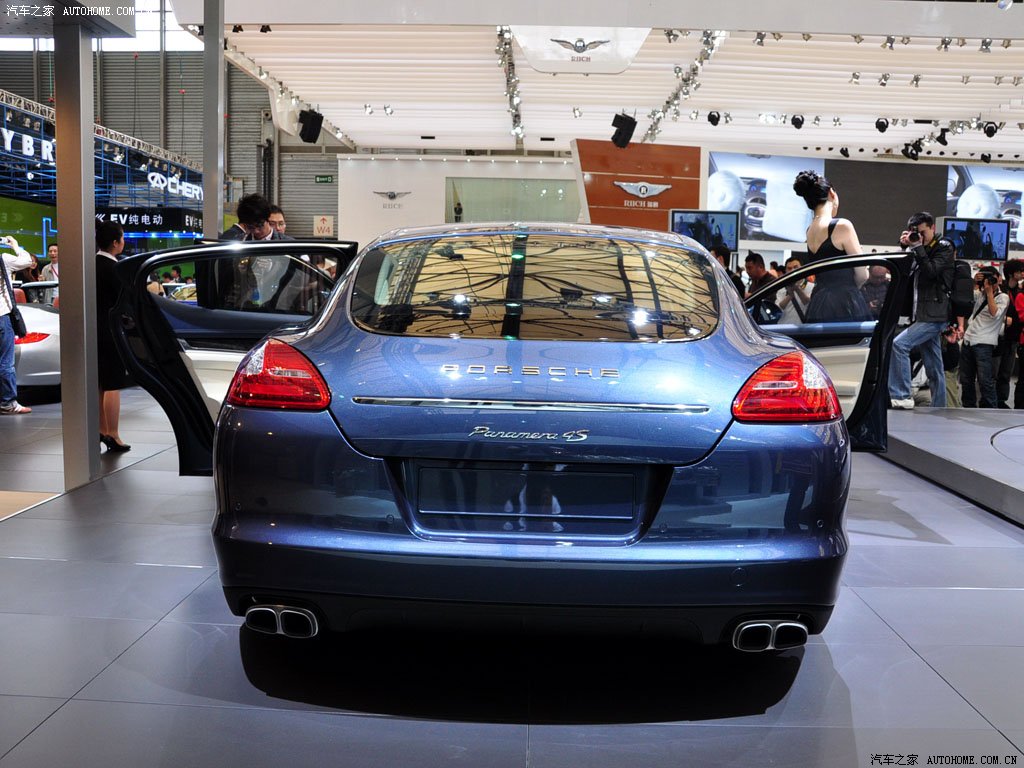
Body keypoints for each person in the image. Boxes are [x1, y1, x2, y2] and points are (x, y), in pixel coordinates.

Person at [888, 212, 956, 410]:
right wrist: (905, 248)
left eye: (922, 232)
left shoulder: (944, 247)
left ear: (932, 228)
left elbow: (931, 271)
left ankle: (901, 395)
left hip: (935, 314)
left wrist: (917, 247)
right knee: (934, 365)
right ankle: (939, 406)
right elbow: (902, 273)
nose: (919, 237)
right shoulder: (919, 250)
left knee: (898, 345)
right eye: (915, 233)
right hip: (923, 313)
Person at [793, 169, 871, 323]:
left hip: (818, 302)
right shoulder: (842, 226)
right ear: (831, 193)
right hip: (844, 303)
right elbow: (863, 275)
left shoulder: (810, 230)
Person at [96, 221, 132, 451]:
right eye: (122, 238)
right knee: (112, 384)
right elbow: (126, 303)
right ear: (116, 242)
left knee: (98, 384)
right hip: (110, 332)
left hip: (92, 331)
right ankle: (113, 433)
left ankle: (100, 430)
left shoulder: (90, 265)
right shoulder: (115, 269)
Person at [960, 266, 1009, 409]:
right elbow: (964, 298)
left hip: (984, 343)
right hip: (968, 340)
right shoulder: (980, 294)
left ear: (998, 279)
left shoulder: (1003, 297)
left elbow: (995, 313)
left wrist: (989, 292)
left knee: (985, 381)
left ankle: (991, 410)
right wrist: (974, 282)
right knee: (966, 380)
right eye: (987, 278)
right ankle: (968, 408)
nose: (990, 281)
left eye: (993, 278)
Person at [1, 235, 36, 415]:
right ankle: (8, 402)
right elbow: (28, 261)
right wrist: (14, 244)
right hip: (1, 316)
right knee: (6, 362)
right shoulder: (4, 259)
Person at [995, 259, 1024, 408]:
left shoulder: (1019, 291)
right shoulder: (1001, 289)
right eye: (1020, 271)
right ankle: (993, 399)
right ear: (1012, 273)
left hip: (1013, 337)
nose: (1022, 273)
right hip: (998, 336)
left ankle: (1002, 399)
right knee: (995, 370)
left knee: (1007, 370)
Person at [776, 255, 813, 324]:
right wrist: (790, 295)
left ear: (802, 268)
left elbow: (808, 304)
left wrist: (797, 288)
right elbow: (778, 308)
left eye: (796, 267)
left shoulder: (812, 286)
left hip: (803, 328)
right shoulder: (781, 288)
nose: (793, 270)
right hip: (783, 327)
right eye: (789, 268)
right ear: (786, 271)